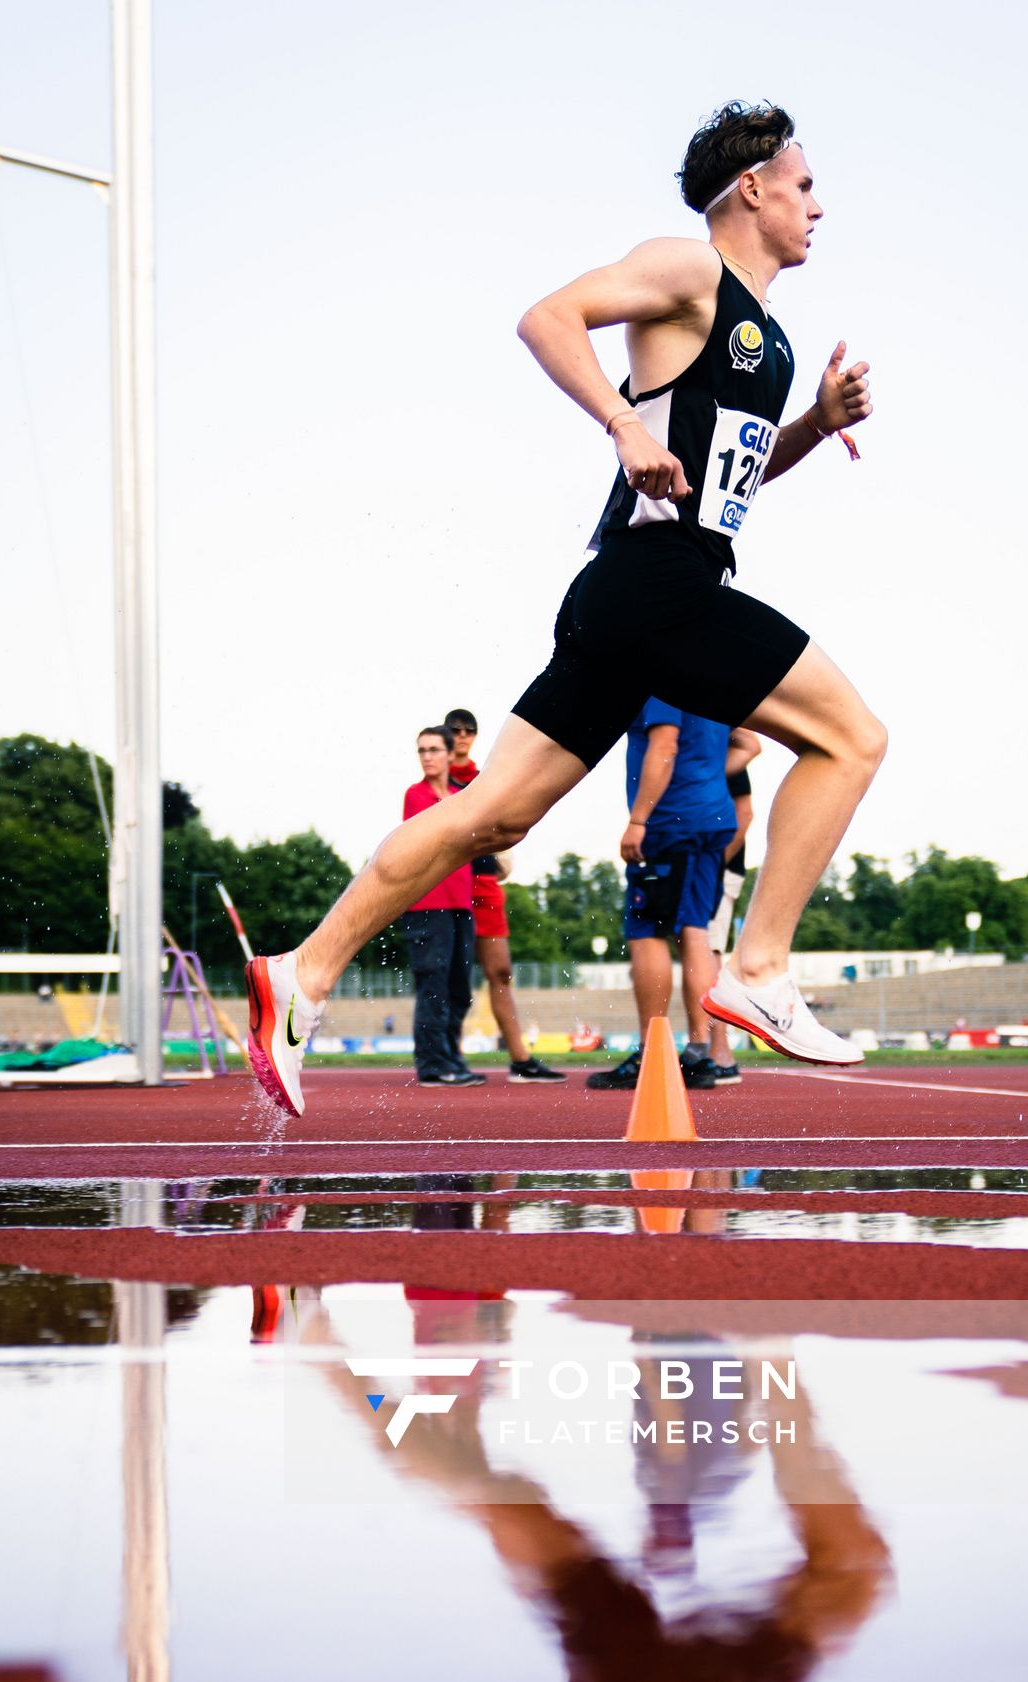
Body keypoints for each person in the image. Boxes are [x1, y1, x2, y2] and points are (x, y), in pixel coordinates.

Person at [246, 99, 883, 1117]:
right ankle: (757, 968)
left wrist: (812, 420)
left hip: (634, 590)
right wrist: (620, 422)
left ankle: (302, 975)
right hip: (656, 586)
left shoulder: (762, 334)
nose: (820, 205)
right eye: (804, 185)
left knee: (490, 811)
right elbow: (545, 316)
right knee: (851, 740)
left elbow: (727, 490)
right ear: (753, 187)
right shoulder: (685, 268)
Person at [586, 703, 756, 1092]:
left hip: (671, 822)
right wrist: (705, 777)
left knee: (646, 931)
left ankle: (652, 1052)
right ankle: (698, 1054)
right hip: (710, 820)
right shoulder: (710, 682)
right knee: (694, 932)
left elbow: (665, 743)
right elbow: (749, 746)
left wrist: (638, 820)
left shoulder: (663, 678)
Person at [444, 706, 566, 1084]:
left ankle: (520, 1059)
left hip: (485, 886)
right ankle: (448, 1058)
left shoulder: (484, 779)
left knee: (501, 971)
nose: (462, 735)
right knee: (452, 978)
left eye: (468, 730)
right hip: (452, 889)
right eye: (455, 730)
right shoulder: (437, 779)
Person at [399, 725, 485, 1087]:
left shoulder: (459, 795)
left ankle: (450, 1055)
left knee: (458, 988)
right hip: (427, 905)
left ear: (451, 755)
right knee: (433, 984)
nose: (427, 756)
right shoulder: (416, 795)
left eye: (434, 749)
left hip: (460, 905)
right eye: (422, 750)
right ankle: (433, 1063)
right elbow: (435, 840)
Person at [707, 740, 760, 1083]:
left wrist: (715, 865)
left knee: (706, 948)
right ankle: (708, 1050)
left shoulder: (723, 745)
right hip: (694, 861)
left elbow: (745, 813)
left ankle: (720, 1052)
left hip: (716, 866)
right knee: (697, 947)